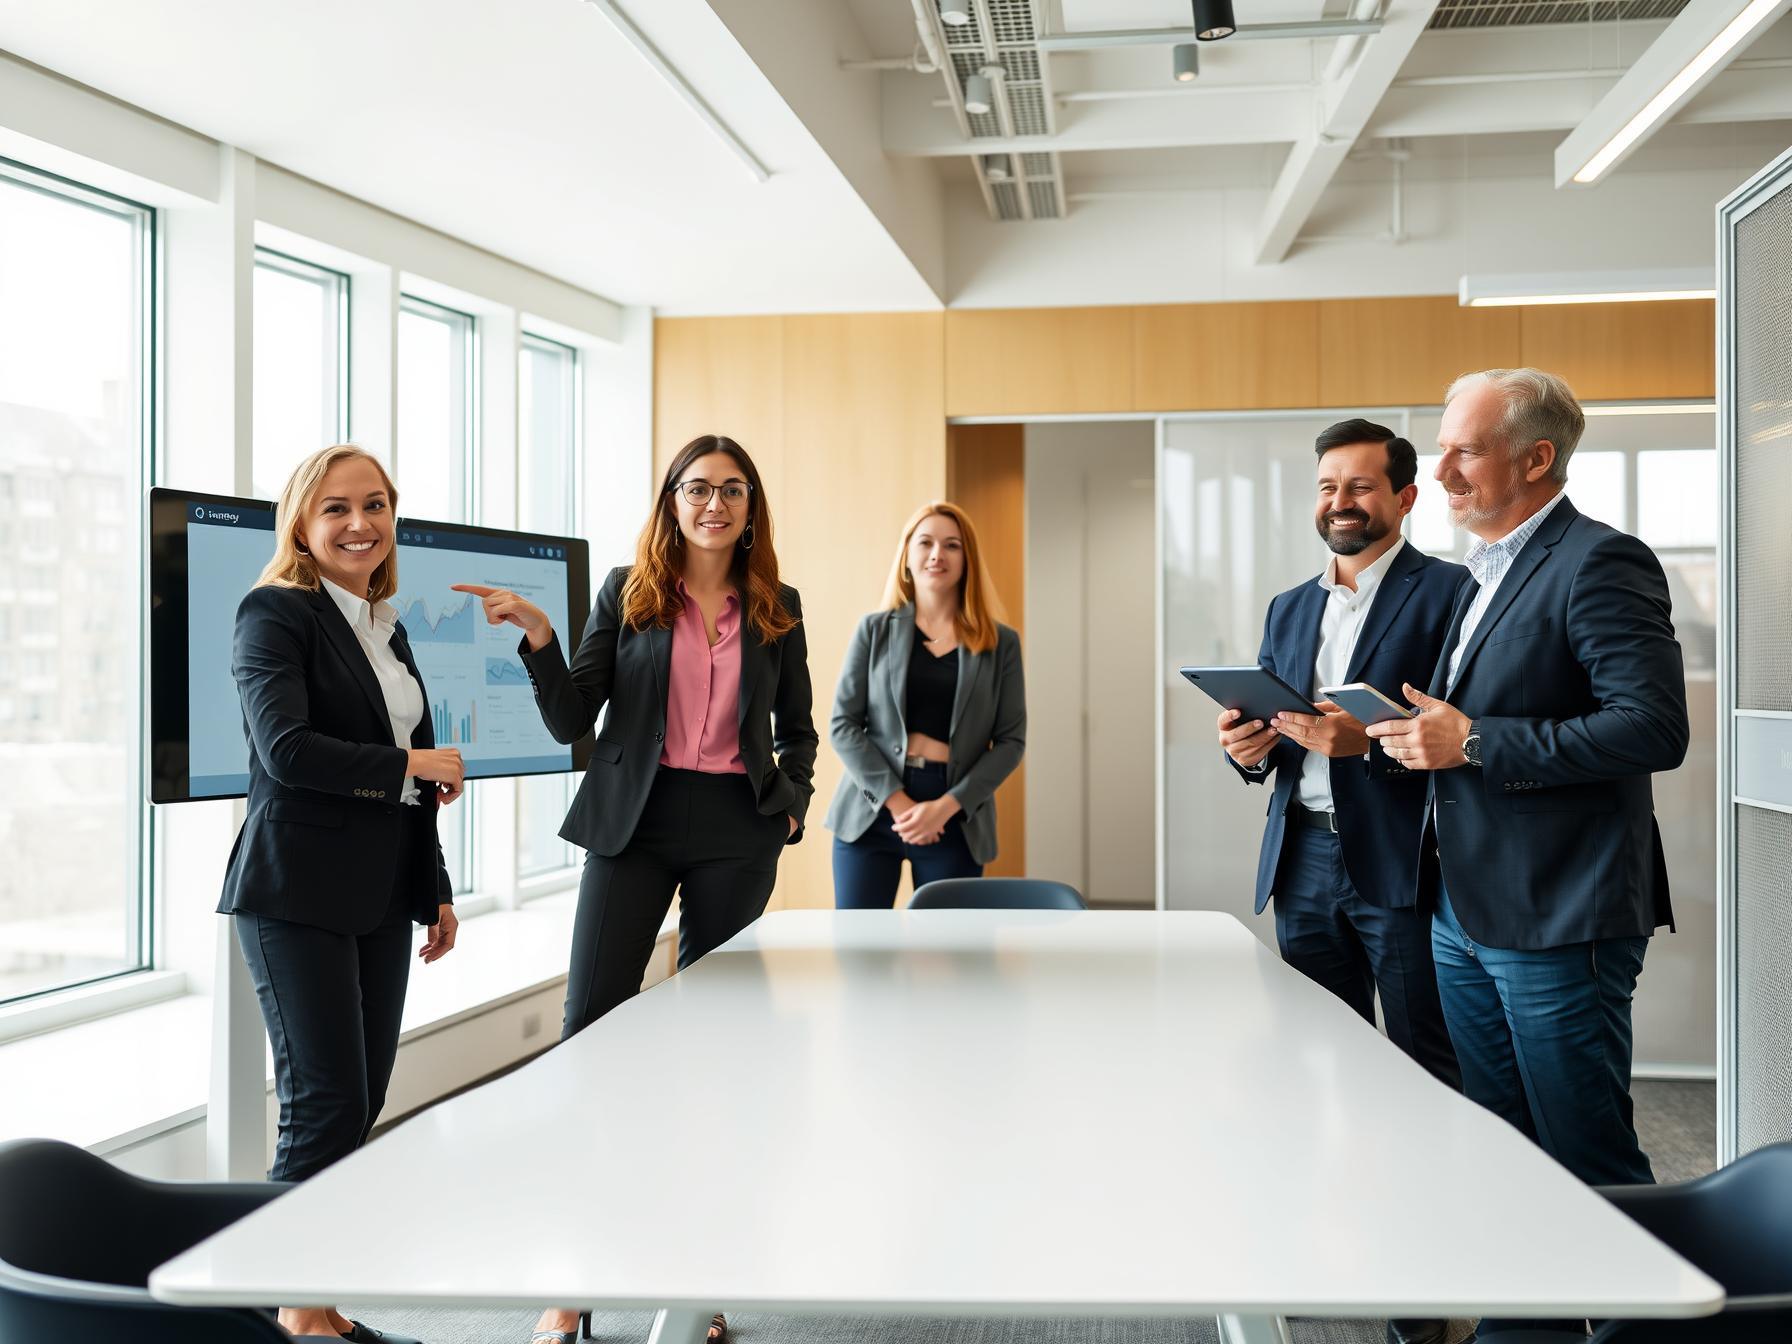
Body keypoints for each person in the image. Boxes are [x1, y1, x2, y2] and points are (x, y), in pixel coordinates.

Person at [457, 434, 815, 1344]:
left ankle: (696, 1279)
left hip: (738, 827)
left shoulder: (778, 605)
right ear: (672, 500)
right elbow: (575, 719)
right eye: (698, 488)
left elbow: (801, 727)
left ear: (750, 506)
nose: (715, 504)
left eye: (733, 490)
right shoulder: (628, 592)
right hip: (634, 825)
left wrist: (792, 804)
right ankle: (573, 1282)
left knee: (717, 1051)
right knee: (593, 1040)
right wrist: (540, 638)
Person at [1367, 370, 1686, 1212]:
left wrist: (1471, 739)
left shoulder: (1600, 561)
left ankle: (1639, 1323)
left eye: (1465, 451)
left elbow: (1653, 729)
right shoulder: (1481, 573)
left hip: (1558, 913)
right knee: (1500, 1143)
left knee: (1587, 1154)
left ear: (1537, 458)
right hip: (1463, 912)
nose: (1440, 474)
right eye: (1443, 451)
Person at [1216, 422, 1465, 1344]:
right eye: (1328, 486)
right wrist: (1246, 748)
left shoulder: (1451, 592)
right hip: (1304, 857)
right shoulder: (1290, 605)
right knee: (1315, 1067)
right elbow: (1274, 731)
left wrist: (1372, 749)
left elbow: (1458, 736)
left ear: (1405, 498)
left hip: (1404, 860)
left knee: (1416, 1075)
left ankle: (1422, 1297)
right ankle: (1325, 1251)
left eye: (1361, 486)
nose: (1341, 503)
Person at [219, 444, 463, 1344]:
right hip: (294, 890)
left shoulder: (386, 628)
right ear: (302, 523)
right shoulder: (273, 614)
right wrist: (409, 762)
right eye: (336, 509)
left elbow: (416, 789)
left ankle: (309, 1301)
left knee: (356, 1107)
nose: (360, 523)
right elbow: (287, 752)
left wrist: (432, 886)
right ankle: (288, 1313)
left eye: (376, 505)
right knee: (322, 1106)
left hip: (378, 893)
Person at [825, 501, 1025, 908]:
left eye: (952, 545)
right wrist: (899, 804)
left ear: (966, 559)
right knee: (862, 951)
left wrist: (946, 807)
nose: (938, 554)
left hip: (955, 813)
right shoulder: (874, 629)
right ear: (907, 557)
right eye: (926, 543)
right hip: (873, 806)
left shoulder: (1001, 643)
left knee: (950, 959)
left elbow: (1010, 742)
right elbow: (843, 725)